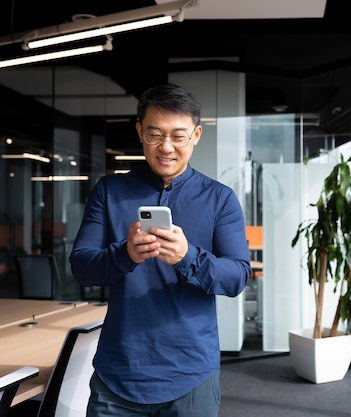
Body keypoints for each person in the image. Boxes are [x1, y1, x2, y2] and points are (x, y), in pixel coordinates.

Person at [69, 83, 251, 417]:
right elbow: (81, 266)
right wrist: (125, 254)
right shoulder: (109, 191)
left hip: (191, 374)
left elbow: (237, 276)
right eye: (155, 134)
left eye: (178, 136)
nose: (166, 147)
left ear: (196, 135)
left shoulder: (220, 199)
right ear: (140, 132)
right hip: (118, 372)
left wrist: (188, 258)